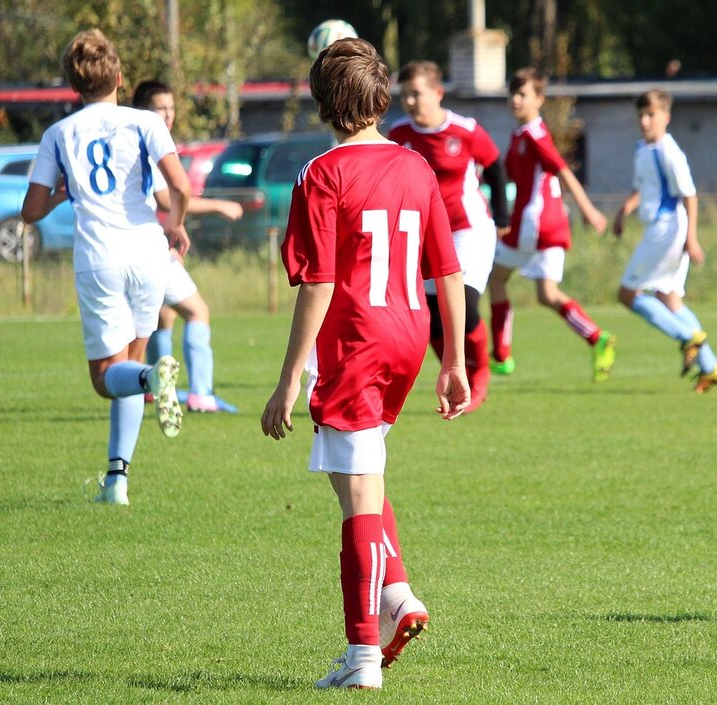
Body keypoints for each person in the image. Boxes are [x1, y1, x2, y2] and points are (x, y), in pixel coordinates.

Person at [260, 38, 469, 690]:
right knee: (360, 481)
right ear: (381, 97)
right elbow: (448, 268)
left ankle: (362, 654)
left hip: (356, 340)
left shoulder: (322, 174)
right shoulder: (414, 167)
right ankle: (398, 593)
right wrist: (454, 358)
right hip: (409, 337)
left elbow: (315, 281)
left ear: (323, 102)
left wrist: (289, 376)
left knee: (355, 502)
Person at [21, 29, 192, 505]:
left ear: (73, 85)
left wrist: (59, 194)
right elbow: (180, 188)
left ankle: (150, 378)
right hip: (147, 252)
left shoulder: (59, 134)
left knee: (108, 380)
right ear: (119, 76)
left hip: (99, 258)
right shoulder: (145, 122)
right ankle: (116, 482)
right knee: (132, 364)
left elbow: (29, 211)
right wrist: (174, 225)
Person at [388, 60, 508, 413]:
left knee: (464, 306)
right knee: (431, 318)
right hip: (426, 236)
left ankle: (481, 370)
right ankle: (457, 373)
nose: (410, 101)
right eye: (404, 95)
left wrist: (502, 216)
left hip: (467, 230)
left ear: (438, 93)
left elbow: (496, 166)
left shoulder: (464, 130)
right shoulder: (398, 135)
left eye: (416, 94)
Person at [489, 68, 616, 383]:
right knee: (547, 294)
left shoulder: (534, 134)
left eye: (524, 95)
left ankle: (501, 356)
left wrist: (589, 210)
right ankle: (596, 337)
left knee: (495, 279)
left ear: (539, 100)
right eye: (513, 94)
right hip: (547, 224)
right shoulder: (521, 134)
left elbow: (562, 170)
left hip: (534, 222)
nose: (516, 101)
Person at [132, 79, 244, 413]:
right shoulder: (149, 143)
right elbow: (168, 197)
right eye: (159, 108)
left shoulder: (134, 140)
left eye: (170, 107)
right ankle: (201, 395)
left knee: (163, 315)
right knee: (197, 311)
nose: (167, 115)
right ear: (143, 112)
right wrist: (219, 206)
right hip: (146, 248)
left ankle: (159, 390)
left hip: (137, 247)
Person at [612, 89, 717, 392]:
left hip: (668, 229)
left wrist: (692, 238)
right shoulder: (643, 149)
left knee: (627, 293)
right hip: (661, 229)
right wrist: (624, 210)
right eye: (641, 115)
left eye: (651, 115)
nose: (645, 121)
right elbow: (643, 188)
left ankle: (687, 338)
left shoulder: (669, 152)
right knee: (669, 300)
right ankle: (711, 367)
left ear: (666, 117)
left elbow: (689, 195)